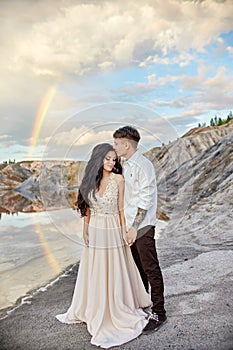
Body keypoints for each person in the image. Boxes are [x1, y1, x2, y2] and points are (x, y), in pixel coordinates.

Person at [56, 143, 150, 349]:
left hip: (112, 229)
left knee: (115, 268)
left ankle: (117, 307)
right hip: (95, 229)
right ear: (98, 159)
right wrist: (85, 230)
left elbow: (121, 209)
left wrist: (125, 232)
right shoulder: (90, 181)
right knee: (96, 269)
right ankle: (95, 306)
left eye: (114, 159)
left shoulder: (119, 179)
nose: (111, 162)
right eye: (107, 158)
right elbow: (87, 209)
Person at [113, 126, 167, 333]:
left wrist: (135, 227)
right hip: (130, 227)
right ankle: (144, 303)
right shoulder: (125, 165)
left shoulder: (144, 165)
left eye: (117, 143)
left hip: (142, 227)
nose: (115, 147)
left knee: (150, 268)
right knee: (137, 269)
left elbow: (145, 199)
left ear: (126, 144)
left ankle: (159, 313)